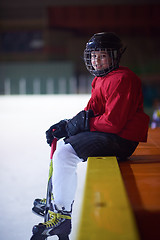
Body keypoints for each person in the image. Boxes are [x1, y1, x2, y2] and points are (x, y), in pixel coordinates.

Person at [31, 32, 150, 239]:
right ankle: (60, 203)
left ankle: (61, 215)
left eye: (102, 55)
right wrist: (67, 125)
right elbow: (90, 112)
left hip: (121, 140)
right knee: (65, 147)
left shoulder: (123, 79)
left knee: (65, 155)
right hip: (111, 135)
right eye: (93, 56)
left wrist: (80, 125)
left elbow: (113, 123)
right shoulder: (100, 80)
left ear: (114, 56)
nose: (96, 60)